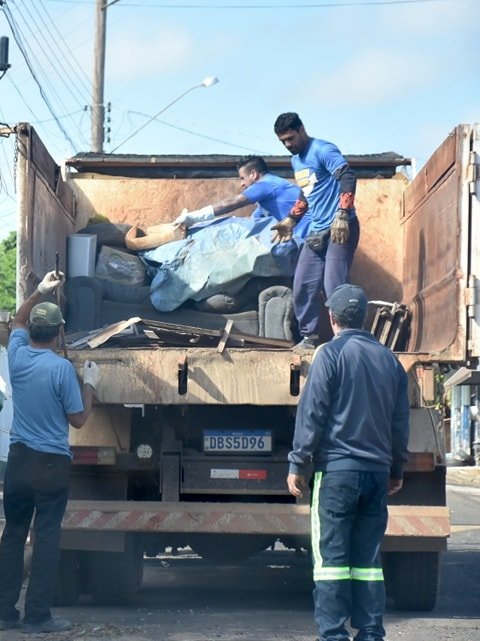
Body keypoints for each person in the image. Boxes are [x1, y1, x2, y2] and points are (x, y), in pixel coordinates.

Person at [287, 284, 409, 641]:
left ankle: (334, 634)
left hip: (338, 473)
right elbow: (399, 423)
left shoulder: (330, 354)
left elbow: (313, 414)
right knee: (368, 562)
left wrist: (298, 463)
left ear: (331, 318)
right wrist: (397, 469)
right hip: (376, 474)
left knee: (331, 562)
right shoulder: (390, 361)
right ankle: (371, 632)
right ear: (365, 318)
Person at [0, 271, 98, 635]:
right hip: (51, 465)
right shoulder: (62, 369)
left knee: (13, 535)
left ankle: (4, 614)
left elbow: (18, 319)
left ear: (35, 331)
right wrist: (90, 385)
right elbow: (80, 420)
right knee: (47, 539)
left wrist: (39, 291)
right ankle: (37, 616)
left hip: (19, 460)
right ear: (58, 334)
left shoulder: (17, 357)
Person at [274, 112, 359, 350]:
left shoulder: (322, 149)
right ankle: (309, 338)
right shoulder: (296, 161)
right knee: (302, 284)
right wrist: (291, 219)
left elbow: (347, 176)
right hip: (318, 231)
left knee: (333, 285)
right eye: (283, 142)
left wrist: (342, 214)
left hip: (341, 227)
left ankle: (345, 339)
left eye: (290, 138)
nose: (288, 145)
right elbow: (306, 191)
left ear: (302, 129)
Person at [174, 154, 311, 242]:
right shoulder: (268, 196)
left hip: (310, 235)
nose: (242, 184)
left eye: (242, 178)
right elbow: (250, 222)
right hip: (306, 236)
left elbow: (231, 204)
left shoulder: (265, 185)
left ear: (254, 174)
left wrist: (194, 217)